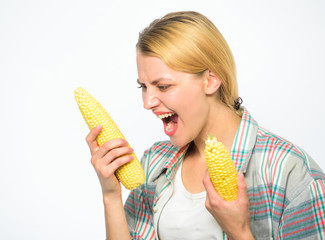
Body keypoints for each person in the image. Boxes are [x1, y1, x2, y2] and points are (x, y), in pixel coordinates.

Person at [85, 11, 325, 240]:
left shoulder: (290, 173)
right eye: (143, 87)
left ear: (210, 81)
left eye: (164, 86)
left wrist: (240, 232)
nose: (147, 103)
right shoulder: (154, 163)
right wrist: (111, 195)